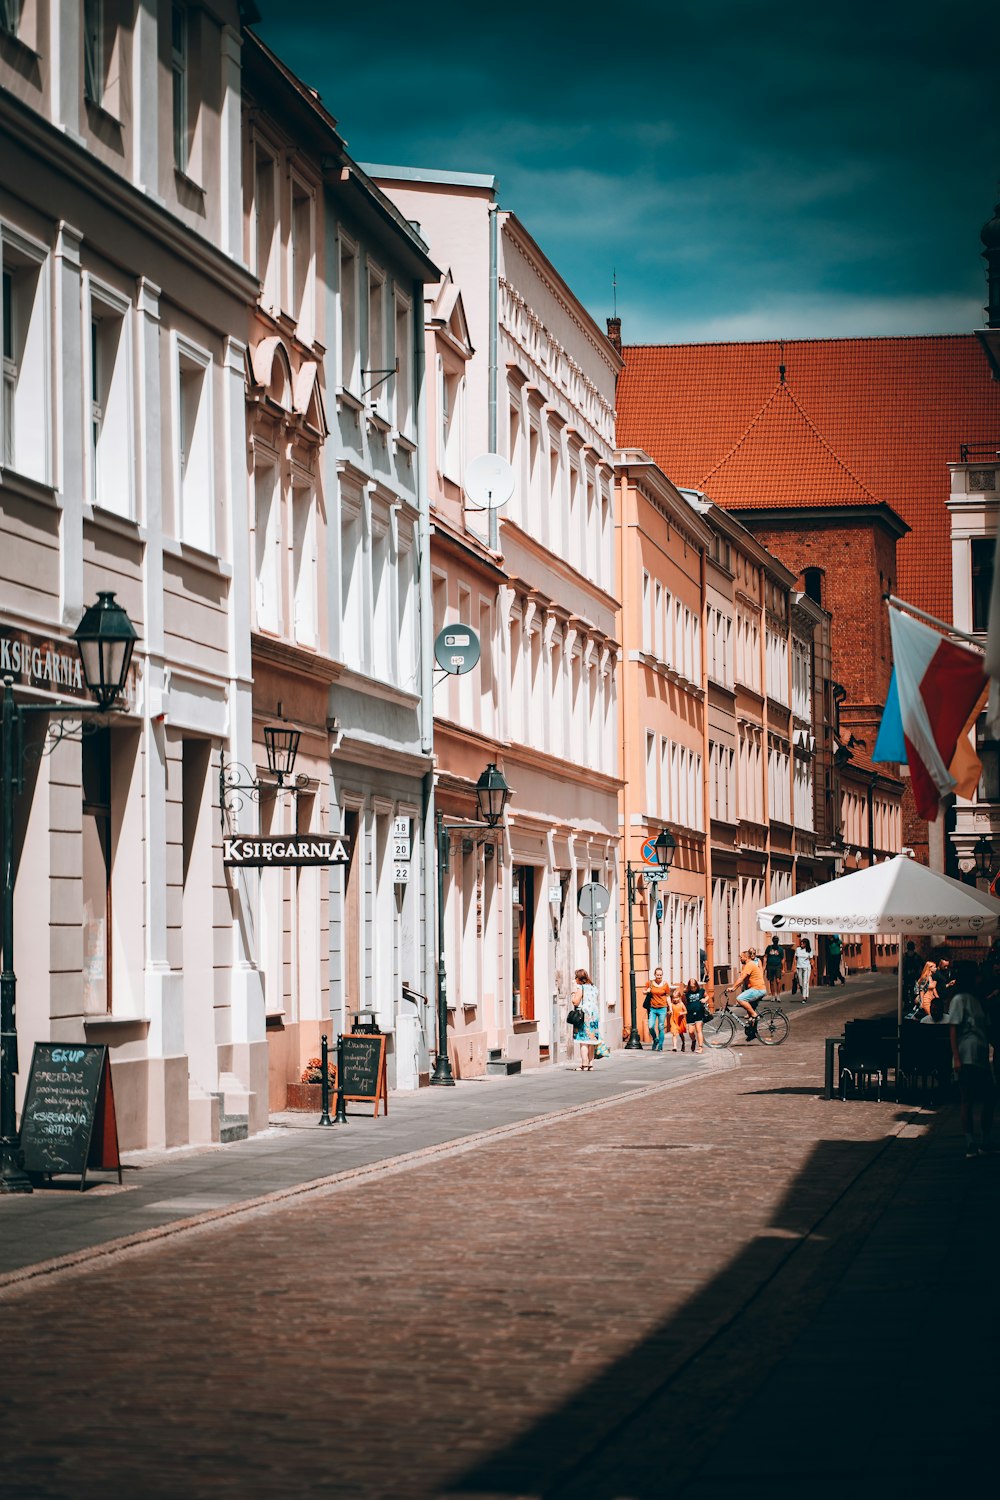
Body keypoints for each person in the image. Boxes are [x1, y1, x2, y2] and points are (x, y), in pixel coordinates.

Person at [946, 960, 996, 1157]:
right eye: (976, 975)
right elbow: (953, 1029)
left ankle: (984, 1139)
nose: (980, 978)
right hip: (966, 1057)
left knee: (989, 1098)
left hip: (981, 1057)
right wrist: (956, 1057)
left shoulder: (978, 1000)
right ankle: (970, 1142)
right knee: (967, 1099)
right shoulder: (960, 999)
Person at [725, 949, 766, 1031]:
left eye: (741, 957)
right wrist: (735, 987)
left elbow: (741, 978)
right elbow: (743, 980)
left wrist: (733, 988)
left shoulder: (750, 964)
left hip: (757, 989)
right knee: (750, 1013)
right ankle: (752, 1031)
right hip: (758, 988)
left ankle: (755, 1015)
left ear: (746, 957)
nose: (740, 959)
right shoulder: (748, 965)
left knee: (740, 998)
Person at [571, 968, 601, 1071]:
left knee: (583, 1041)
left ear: (579, 978)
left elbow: (575, 1002)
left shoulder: (581, 988)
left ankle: (584, 1064)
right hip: (594, 1015)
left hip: (584, 1016)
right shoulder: (594, 987)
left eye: (576, 977)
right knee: (591, 1041)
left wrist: (573, 992)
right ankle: (591, 1064)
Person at [646, 967, 671, 1052]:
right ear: (655, 975)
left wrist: (670, 1007)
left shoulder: (665, 984)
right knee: (650, 1026)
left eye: (660, 975)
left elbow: (668, 996)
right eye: (657, 975)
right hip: (653, 1008)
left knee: (661, 1027)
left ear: (662, 975)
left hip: (662, 1008)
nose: (659, 976)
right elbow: (643, 991)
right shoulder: (650, 983)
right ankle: (655, 1039)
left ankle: (660, 1045)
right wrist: (647, 991)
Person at [684, 978, 708, 1053]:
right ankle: (693, 1040)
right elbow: (684, 1002)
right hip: (690, 1014)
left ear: (696, 985)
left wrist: (705, 1000)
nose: (693, 988)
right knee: (691, 1032)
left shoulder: (701, 991)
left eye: (694, 987)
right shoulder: (687, 993)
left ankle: (700, 1047)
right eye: (691, 987)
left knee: (698, 1029)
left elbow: (707, 996)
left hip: (699, 1013)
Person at [901, 941, 922, 1009]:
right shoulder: (917, 956)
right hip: (913, 976)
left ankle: (907, 1003)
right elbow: (921, 965)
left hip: (908, 976)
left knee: (906, 990)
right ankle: (912, 1003)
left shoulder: (904, 956)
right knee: (913, 990)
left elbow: (901, 966)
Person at [793, 937, 813, 1002]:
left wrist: (814, 969)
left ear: (806, 944)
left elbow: (811, 960)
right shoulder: (798, 949)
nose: (801, 944)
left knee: (805, 982)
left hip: (806, 968)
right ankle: (803, 992)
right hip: (799, 967)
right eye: (801, 943)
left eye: (803, 943)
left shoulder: (809, 951)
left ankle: (804, 997)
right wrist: (794, 967)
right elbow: (795, 959)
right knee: (801, 983)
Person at [669, 985, 688, 1052]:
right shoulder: (671, 1004)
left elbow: (686, 1011)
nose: (675, 999)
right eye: (674, 998)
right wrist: (669, 1012)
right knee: (674, 1033)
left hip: (680, 1020)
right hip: (673, 1020)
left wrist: (682, 1013)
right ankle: (675, 1046)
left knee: (681, 1034)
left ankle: (683, 1043)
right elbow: (670, 1010)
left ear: (679, 997)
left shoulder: (681, 1004)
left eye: (676, 998)